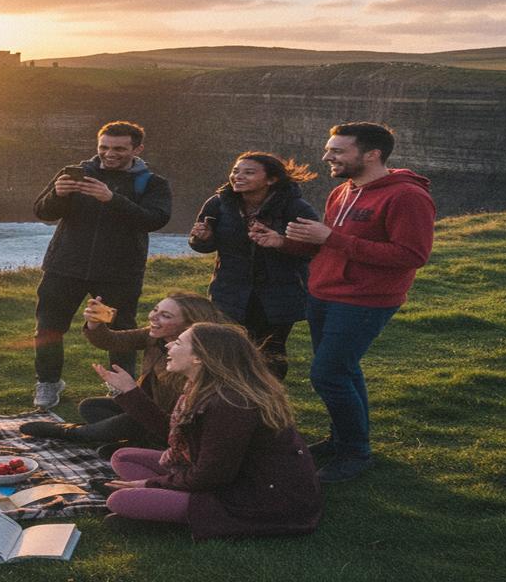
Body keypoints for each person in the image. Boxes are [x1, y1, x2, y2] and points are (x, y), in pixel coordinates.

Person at [252, 122, 434, 482]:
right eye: (328, 149)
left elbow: (412, 254)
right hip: (323, 293)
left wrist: (332, 238)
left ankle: (355, 453)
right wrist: (283, 243)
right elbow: (327, 244)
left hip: (366, 300)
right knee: (344, 371)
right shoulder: (343, 191)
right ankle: (343, 441)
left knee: (328, 374)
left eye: (337, 151)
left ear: (372, 154)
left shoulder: (407, 196)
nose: (326, 157)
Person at [97, 322, 322, 540]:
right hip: (227, 477)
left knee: (119, 501)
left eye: (177, 342)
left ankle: (178, 511)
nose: (167, 346)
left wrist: (149, 484)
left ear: (199, 358)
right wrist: (130, 391)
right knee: (123, 457)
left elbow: (211, 476)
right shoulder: (202, 388)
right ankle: (161, 503)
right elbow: (175, 434)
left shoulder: (231, 404)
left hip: (259, 498)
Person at [30, 120, 172, 409]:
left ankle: (121, 389)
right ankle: (48, 383)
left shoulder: (153, 183)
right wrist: (58, 194)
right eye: (104, 147)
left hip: (117, 274)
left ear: (137, 148)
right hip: (65, 267)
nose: (110, 154)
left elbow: (155, 220)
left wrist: (112, 199)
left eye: (119, 148)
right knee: (49, 327)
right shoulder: (76, 173)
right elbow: (42, 211)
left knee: (118, 332)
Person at [21, 293, 227, 456]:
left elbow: (177, 422)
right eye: (156, 310)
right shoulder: (154, 336)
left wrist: (131, 391)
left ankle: (70, 433)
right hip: (148, 408)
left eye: (166, 315)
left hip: (169, 423)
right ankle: (136, 444)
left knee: (128, 421)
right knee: (91, 406)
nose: (153, 317)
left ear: (189, 326)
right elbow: (112, 341)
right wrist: (96, 324)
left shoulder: (196, 363)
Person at [188, 152, 318, 379]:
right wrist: (203, 238)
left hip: (279, 294)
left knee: (270, 355)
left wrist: (281, 242)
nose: (238, 177)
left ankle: (269, 405)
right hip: (229, 291)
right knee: (226, 351)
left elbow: (316, 249)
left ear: (271, 179)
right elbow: (202, 245)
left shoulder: (295, 207)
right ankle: (228, 403)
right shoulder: (218, 203)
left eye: (249, 172)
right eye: (236, 171)